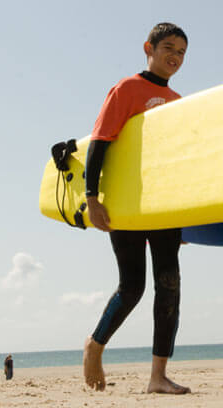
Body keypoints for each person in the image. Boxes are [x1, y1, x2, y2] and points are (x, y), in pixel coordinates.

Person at [81, 22, 191, 395]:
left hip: (163, 207)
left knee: (170, 286)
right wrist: (92, 197)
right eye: (169, 48)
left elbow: (177, 164)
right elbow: (100, 142)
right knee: (133, 287)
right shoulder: (127, 89)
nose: (175, 57)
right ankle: (94, 346)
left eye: (182, 52)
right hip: (127, 203)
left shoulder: (178, 102)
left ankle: (158, 376)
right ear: (149, 47)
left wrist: (185, 217)